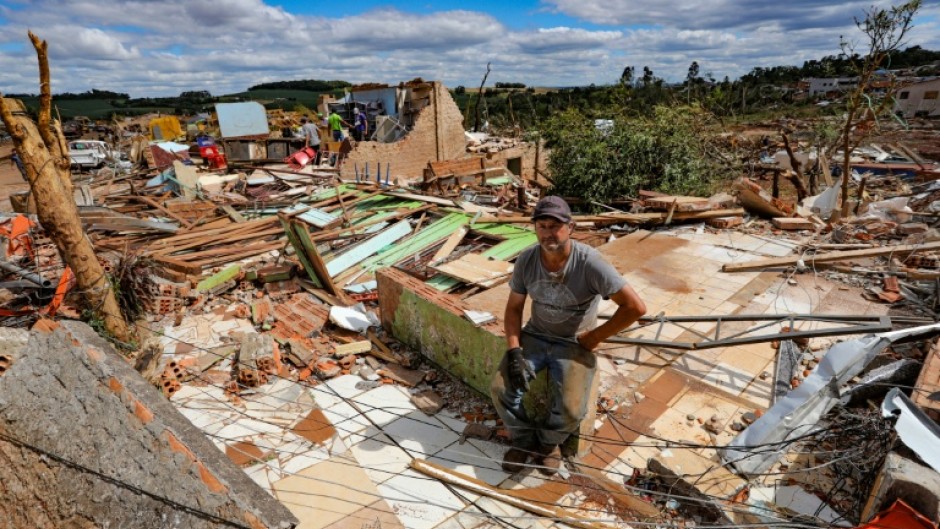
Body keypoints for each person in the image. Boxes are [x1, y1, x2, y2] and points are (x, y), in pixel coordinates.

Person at [490, 196, 646, 476]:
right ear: (535, 228)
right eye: (542, 226)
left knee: (572, 409)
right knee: (501, 389)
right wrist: (514, 351)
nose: (548, 233)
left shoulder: (590, 263)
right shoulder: (527, 259)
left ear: (570, 227)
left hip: (574, 342)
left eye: (555, 226)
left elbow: (635, 307)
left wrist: (594, 337)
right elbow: (514, 308)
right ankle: (525, 442)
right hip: (535, 336)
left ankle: (549, 444)